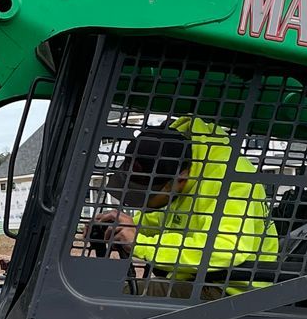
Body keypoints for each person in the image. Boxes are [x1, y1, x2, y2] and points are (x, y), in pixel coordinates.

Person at [96, 117, 278, 288]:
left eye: (147, 196)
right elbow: (165, 219)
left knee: (115, 300)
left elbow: (227, 248)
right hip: (193, 280)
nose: (142, 204)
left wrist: (141, 244)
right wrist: (128, 226)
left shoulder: (230, 178)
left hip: (230, 291)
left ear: (181, 178)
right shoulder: (188, 164)